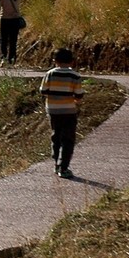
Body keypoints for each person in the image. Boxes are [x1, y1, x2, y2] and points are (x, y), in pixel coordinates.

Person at [39, 48, 83, 178]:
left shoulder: (50, 74)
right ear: (72, 61)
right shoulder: (75, 76)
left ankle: (56, 162)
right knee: (68, 139)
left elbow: (43, 91)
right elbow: (79, 94)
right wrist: (75, 99)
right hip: (69, 110)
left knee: (56, 135)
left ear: (55, 61)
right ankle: (63, 167)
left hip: (53, 110)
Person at [0, 0, 24, 65]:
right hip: (15, 20)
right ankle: (12, 59)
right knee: (13, 40)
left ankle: (3, 58)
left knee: (4, 40)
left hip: (5, 20)